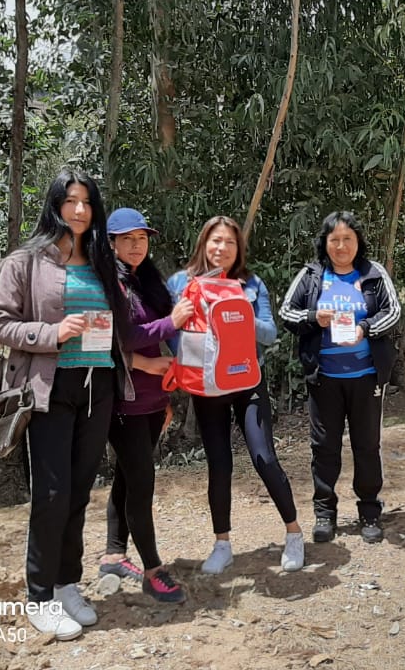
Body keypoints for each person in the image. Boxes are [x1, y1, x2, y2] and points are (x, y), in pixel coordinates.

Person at [0, 170, 180, 640]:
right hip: (50, 389)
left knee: (78, 493)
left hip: (99, 389)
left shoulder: (100, 262)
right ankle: (40, 597)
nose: (79, 210)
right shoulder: (26, 261)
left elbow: (119, 331)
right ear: (55, 204)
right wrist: (52, 333)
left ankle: (66, 584)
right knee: (51, 495)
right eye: (70, 200)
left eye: (87, 202)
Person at [166, 216, 304, 574]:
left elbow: (270, 334)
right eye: (216, 240)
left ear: (238, 248)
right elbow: (168, 332)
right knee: (219, 464)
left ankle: (293, 533)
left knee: (263, 457)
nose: (222, 248)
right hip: (206, 385)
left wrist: (237, 311)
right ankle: (222, 544)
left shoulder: (251, 284)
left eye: (230, 242)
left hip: (247, 381)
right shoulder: (181, 283)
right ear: (204, 243)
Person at [278, 211, 401, 544]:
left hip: (366, 377)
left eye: (348, 239)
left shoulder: (374, 273)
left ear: (358, 241)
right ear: (325, 243)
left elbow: (393, 311)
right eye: (335, 239)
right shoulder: (311, 275)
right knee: (324, 447)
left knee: (367, 445)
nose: (341, 246)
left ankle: (370, 511)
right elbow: (286, 312)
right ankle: (324, 513)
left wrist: (365, 328)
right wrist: (313, 317)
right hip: (324, 378)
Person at [96, 208, 194, 604]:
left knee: (127, 475)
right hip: (124, 400)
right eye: (128, 239)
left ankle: (113, 555)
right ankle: (153, 570)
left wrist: (165, 390)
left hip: (153, 397)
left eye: (142, 238)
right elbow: (120, 338)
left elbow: (161, 342)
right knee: (141, 483)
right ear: (111, 244)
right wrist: (171, 323)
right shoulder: (107, 284)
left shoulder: (147, 279)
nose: (137, 246)